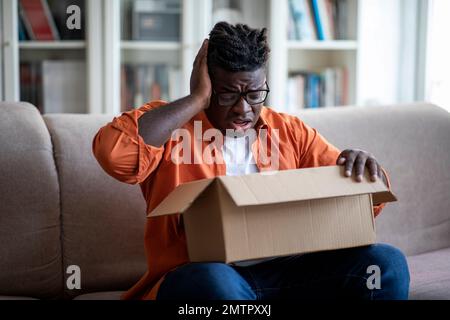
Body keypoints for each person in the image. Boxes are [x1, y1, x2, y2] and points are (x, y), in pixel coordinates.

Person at [92, 22, 410, 300]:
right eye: (228, 94)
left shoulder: (290, 131)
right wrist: (194, 101)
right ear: (206, 85)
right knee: (214, 285)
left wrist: (365, 171)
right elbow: (114, 156)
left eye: (255, 94)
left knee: (386, 264)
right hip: (207, 276)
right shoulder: (172, 127)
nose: (244, 109)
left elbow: (367, 204)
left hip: (289, 273)